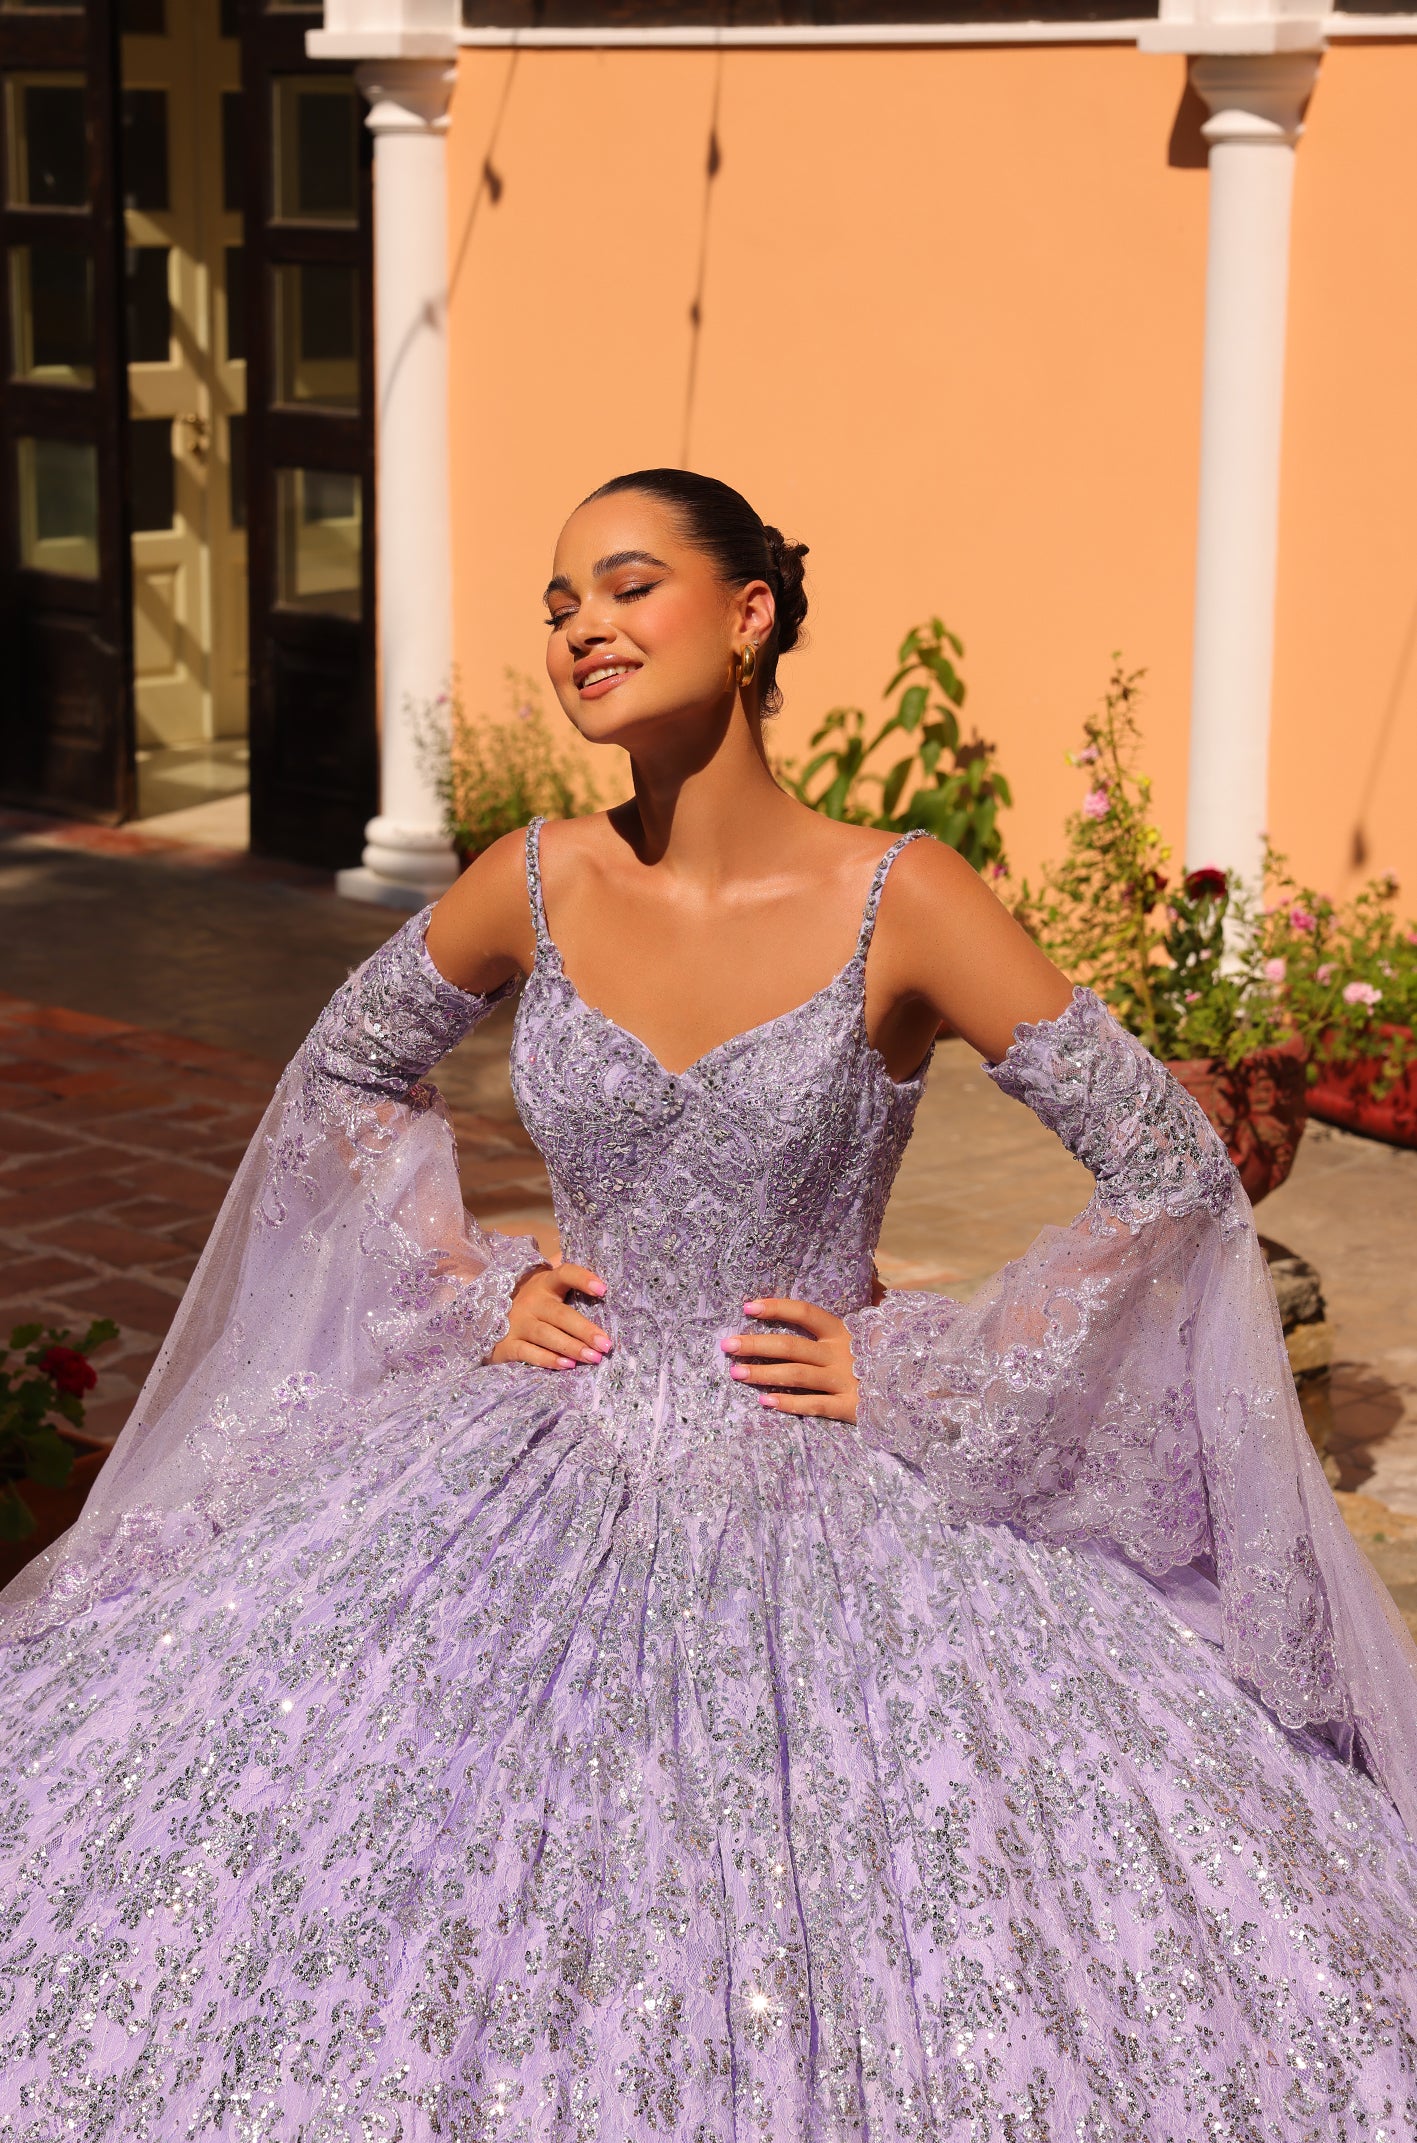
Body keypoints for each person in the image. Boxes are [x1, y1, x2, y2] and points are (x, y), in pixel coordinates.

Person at [2, 469, 1415, 2139]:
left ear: (748, 617)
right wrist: (469, 1289)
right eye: (553, 606)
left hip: (811, 1476)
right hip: (532, 1455)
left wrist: (925, 1362)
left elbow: (1170, 1170)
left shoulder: (906, 894)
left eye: (623, 586)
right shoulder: (534, 877)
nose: (580, 629)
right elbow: (342, 1080)